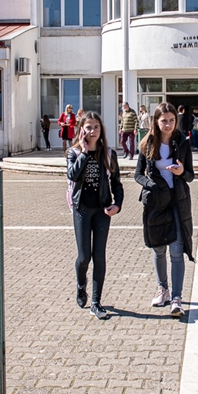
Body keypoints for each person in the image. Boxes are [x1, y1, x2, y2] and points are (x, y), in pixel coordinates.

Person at [134, 102, 195, 317]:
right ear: (156, 122)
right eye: (164, 121)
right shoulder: (147, 143)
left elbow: (191, 175)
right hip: (156, 203)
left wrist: (181, 172)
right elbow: (138, 174)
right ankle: (163, 289)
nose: (168, 125)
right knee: (158, 249)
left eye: (171, 120)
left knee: (176, 250)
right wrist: (151, 185)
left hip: (178, 202)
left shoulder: (183, 142)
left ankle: (176, 298)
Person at [66, 111, 123, 320]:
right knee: (84, 257)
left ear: (101, 130)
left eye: (96, 127)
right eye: (88, 127)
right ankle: (81, 285)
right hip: (81, 209)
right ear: (81, 130)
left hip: (102, 210)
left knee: (99, 255)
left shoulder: (108, 154)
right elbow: (72, 175)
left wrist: (117, 204)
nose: (92, 131)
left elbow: (116, 183)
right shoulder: (73, 152)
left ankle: (96, 303)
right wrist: (84, 152)